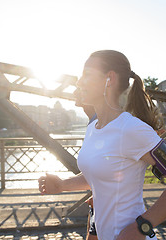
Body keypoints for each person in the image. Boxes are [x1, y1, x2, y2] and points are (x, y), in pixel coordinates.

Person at [39, 50, 166, 239]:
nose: (79, 82)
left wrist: (142, 226)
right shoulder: (94, 128)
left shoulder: (130, 128)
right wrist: (61, 186)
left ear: (109, 79)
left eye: (86, 74)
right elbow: (101, 174)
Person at [74, 88, 98, 240]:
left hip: (107, 209)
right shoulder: (94, 122)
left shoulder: (99, 124)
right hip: (98, 205)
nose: (76, 87)